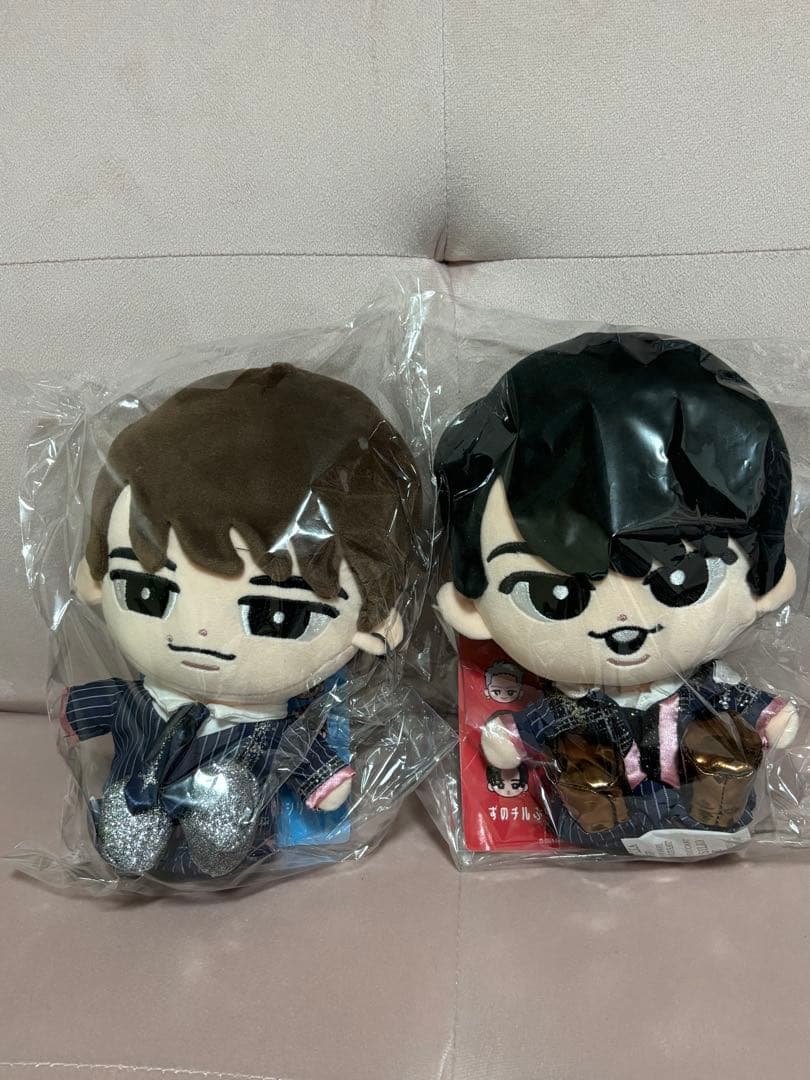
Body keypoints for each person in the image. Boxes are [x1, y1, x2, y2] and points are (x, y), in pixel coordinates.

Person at [435, 332, 798, 852]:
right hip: (602, 820)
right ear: (471, 608)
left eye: (682, 579)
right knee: (580, 761)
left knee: (722, 747)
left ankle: (711, 813)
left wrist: (770, 715)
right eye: (554, 596)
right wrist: (508, 738)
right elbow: (530, 728)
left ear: (768, 582)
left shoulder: (706, 688)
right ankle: (603, 823)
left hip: (700, 816)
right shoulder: (572, 705)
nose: (621, 625)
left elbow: (746, 704)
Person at [64, 364, 420, 877]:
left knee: (232, 806)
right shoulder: (138, 703)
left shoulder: (274, 729)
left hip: (245, 812)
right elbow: (90, 706)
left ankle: (224, 822)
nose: (201, 633)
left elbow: (309, 755)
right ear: (96, 580)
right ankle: (131, 823)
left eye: (279, 613)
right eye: (148, 592)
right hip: (137, 791)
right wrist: (69, 711)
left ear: (374, 623)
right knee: (129, 815)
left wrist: (325, 780)